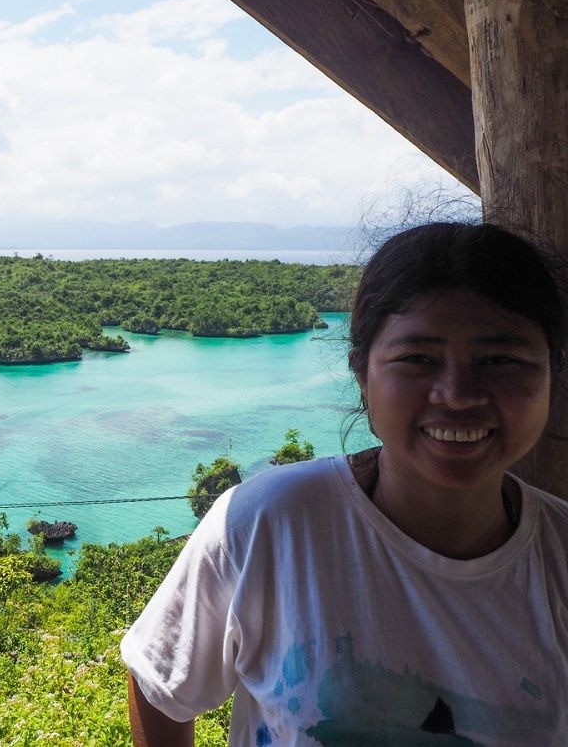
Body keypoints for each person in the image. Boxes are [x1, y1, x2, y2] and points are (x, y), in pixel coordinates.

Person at [121, 222, 568, 746]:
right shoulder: (268, 524)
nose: (457, 394)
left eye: (502, 360)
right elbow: (160, 686)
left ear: (553, 375)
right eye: (418, 359)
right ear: (362, 372)